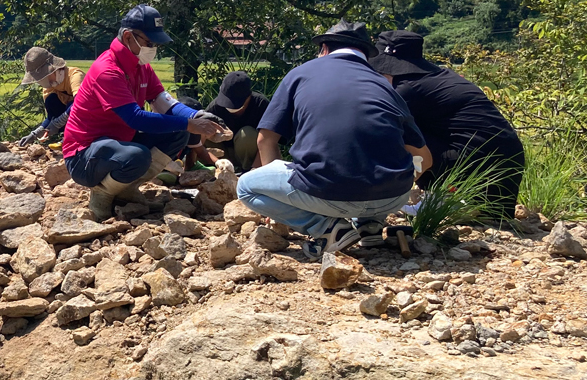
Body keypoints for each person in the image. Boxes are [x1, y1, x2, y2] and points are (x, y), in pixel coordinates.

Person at [236, 20, 433, 258]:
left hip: (326, 193)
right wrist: (397, 182)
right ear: (365, 55)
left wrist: (281, 201)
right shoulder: (383, 84)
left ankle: (328, 229)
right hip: (392, 198)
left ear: (325, 49)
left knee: (246, 187)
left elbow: (265, 140)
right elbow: (424, 158)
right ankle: (370, 226)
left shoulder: (300, 74)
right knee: (371, 161)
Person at [60, 4, 225, 221]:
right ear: (128, 37)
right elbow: (135, 118)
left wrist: (196, 116)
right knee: (138, 155)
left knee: (178, 134)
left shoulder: (140, 66)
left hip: (116, 146)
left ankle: (126, 188)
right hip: (84, 156)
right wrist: (188, 124)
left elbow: (163, 101)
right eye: (149, 43)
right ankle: (103, 193)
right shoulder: (108, 71)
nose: (153, 48)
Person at [369, 30, 526, 220]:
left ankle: (431, 200)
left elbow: (379, 131)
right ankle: (452, 199)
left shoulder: (408, 89)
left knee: (394, 133)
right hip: (506, 166)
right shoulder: (439, 77)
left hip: (475, 166)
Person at [203, 70, 270, 173]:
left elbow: (269, 141)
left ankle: (246, 170)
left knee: (247, 134)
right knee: (205, 130)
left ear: (248, 96)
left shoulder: (261, 105)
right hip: (222, 156)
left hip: (251, 157)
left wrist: (254, 170)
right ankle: (217, 169)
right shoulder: (215, 107)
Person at [18, 47, 84, 147]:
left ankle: (74, 139)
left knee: (72, 104)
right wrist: (35, 133)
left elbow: (80, 103)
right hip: (68, 120)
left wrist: (57, 123)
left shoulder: (75, 76)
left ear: (52, 69)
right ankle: (67, 139)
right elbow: (51, 117)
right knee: (51, 101)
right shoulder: (48, 88)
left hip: (89, 118)